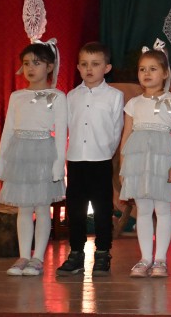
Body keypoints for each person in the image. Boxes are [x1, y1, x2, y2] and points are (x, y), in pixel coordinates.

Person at [0, 40, 67, 276]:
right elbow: (8, 131)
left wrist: (58, 167)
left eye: (37, 63)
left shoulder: (57, 96)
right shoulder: (17, 96)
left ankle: (37, 258)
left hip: (44, 155)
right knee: (24, 208)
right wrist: (2, 164)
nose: (30, 68)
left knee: (42, 208)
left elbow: (61, 134)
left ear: (49, 67)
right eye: (26, 63)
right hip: (21, 155)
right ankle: (23, 255)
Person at [119, 41, 171, 278]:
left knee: (163, 209)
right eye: (142, 69)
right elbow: (126, 135)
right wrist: (124, 166)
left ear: (165, 73)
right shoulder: (133, 103)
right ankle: (145, 258)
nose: (146, 73)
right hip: (138, 163)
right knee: (144, 210)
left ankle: (160, 260)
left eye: (153, 69)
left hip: (163, 162)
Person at [57, 42, 123, 277]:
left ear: (107, 68)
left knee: (103, 209)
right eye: (84, 64)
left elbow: (116, 130)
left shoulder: (114, 96)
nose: (89, 69)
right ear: (77, 67)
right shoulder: (71, 96)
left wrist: (104, 152)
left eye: (95, 64)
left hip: (100, 161)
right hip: (76, 160)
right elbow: (66, 126)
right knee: (75, 210)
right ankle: (76, 253)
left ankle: (103, 252)